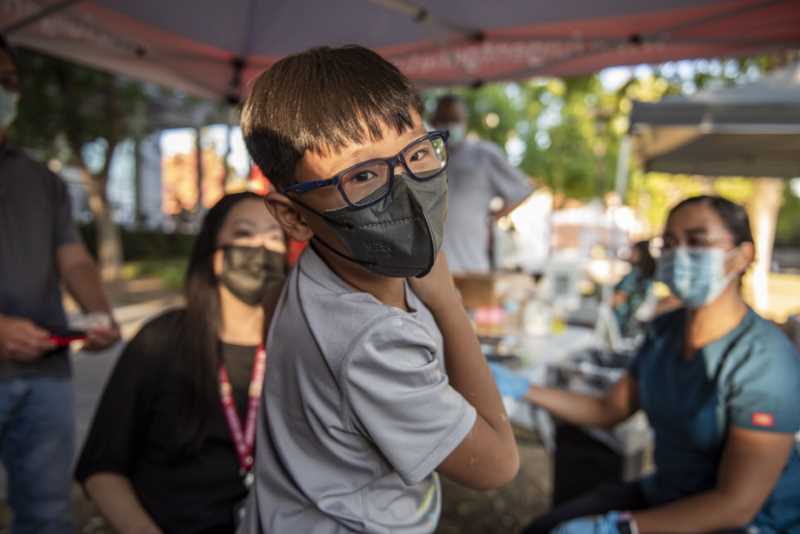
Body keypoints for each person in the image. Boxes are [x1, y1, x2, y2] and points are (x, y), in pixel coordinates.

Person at [239, 45, 519, 533]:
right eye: (363, 175)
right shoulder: (372, 339)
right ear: (293, 216)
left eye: (416, 152)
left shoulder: (326, 271)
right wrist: (449, 302)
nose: (407, 186)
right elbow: (499, 464)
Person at [492, 195, 800, 533]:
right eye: (668, 243)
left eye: (697, 241)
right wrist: (521, 387)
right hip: (668, 493)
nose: (679, 254)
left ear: (743, 255)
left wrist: (621, 528)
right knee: (545, 528)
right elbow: (607, 410)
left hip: (746, 521)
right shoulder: (664, 331)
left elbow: (737, 505)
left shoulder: (765, 361)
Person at [75, 192, 287, 534]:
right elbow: (102, 471)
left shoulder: (297, 347)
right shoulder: (160, 341)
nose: (261, 247)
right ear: (213, 255)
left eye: (275, 237)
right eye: (244, 233)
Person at [0, 36, 120, 533]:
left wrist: (99, 314)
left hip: (47, 372)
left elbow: (73, 260)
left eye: (8, 81)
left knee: (48, 514)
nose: (4, 91)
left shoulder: (41, 178)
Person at [430, 94, 533, 274]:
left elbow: (522, 190)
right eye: (443, 120)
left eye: (454, 120)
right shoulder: (426, 158)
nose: (448, 125)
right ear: (434, 122)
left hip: (471, 266)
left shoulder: (483, 154)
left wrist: (493, 218)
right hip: (430, 272)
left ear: (465, 121)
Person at [611, 240, 656, 337]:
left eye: (633, 250)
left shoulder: (634, 274)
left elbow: (620, 297)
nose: (630, 254)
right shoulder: (647, 275)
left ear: (640, 253)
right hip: (637, 323)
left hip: (623, 322)